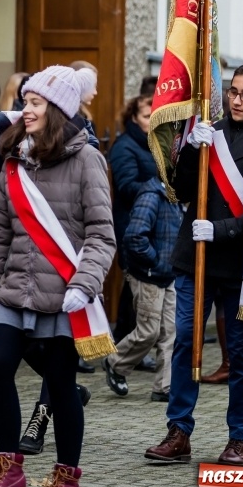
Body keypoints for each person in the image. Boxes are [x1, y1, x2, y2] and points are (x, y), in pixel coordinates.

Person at [0, 65, 115, 487]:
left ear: (56, 109)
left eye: (35, 103)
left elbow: (102, 235)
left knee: (60, 383)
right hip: (15, 290)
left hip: (64, 294)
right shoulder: (14, 160)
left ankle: (66, 480)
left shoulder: (87, 160)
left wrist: (84, 284)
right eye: (26, 101)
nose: (25, 110)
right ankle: (9, 471)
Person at [144, 62, 243, 467]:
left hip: (240, 265)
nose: (235, 100)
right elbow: (182, 188)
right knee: (186, 341)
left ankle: (239, 439)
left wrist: (219, 229)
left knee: (240, 353)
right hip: (195, 260)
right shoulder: (211, 132)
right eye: (233, 91)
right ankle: (178, 430)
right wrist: (190, 149)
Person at [102, 177, 182, 402]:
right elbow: (134, 236)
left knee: (171, 333)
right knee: (149, 332)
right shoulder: (151, 196)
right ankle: (115, 362)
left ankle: (164, 387)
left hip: (168, 275)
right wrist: (155, 262)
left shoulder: (174, 197)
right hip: (148, 276)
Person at [107, 94, 156, 345]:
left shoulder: (155, 142)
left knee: (142, 286)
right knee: (134, 286)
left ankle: (132, 342)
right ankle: (125, 340)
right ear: (134, 118)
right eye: (147, 116)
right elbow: (126, 186)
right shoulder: (124, 146)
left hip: (153, 223)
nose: (152, 120)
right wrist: (160, 188)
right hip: (131, 223)